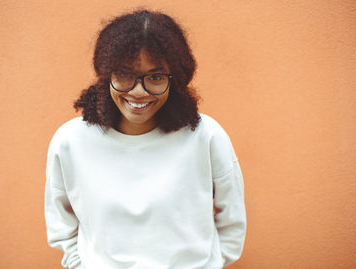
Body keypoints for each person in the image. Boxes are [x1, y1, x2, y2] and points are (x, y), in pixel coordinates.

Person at [45, 9, 246, 269]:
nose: (138, 91)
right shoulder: (70, 141)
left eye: (155, 77)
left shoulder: (206, 136)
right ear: (107, 75)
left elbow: (233, 220)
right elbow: (60, 225)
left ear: (174, 80)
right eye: (125, 74)